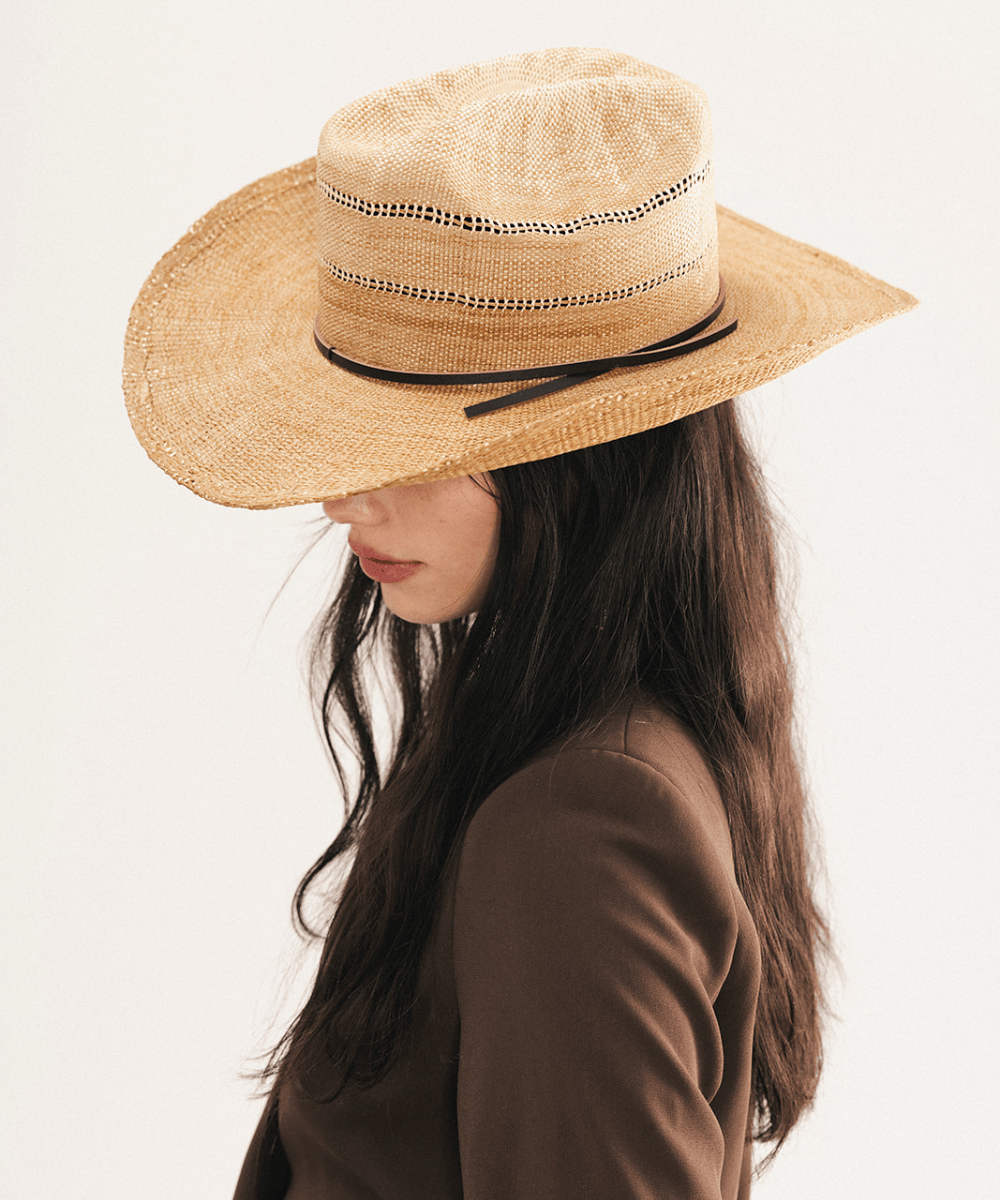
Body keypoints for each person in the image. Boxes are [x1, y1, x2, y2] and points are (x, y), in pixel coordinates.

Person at [123, 47, 916, 1200]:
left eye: (419, 441)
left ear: (585, 459)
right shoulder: (579, 740)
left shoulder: (576, 824)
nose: (344, 492)